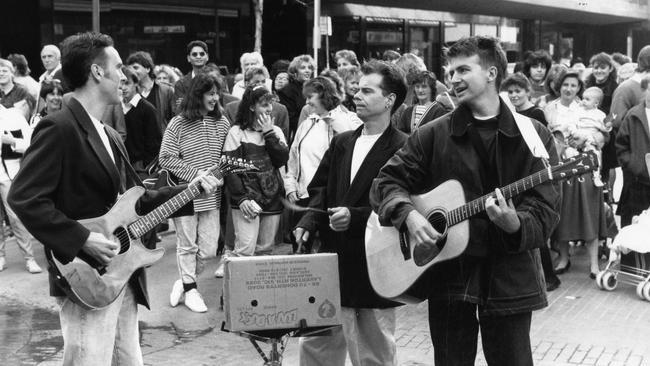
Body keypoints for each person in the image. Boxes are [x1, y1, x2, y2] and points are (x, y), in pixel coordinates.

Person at [7, 31, 220, 366]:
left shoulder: (107, 132)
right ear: (96, 72)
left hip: (122, 276)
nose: (124, 76)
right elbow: (24, 198)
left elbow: (133, 200)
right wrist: (81, 240)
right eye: (118, 67)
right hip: (85, 277)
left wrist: (193, 188)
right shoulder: (59, 127)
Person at [370, 36, 560, 366]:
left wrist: (516, 223)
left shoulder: (533, 133)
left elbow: (546, 207)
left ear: (491, 72)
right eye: (450, 71)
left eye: (463, 70)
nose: (452, 78)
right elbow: (386, 183)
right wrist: (409, 216)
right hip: (448, 272)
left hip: (509, 275)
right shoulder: (434, 133)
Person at [294, 60, 407, 366]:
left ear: (389, 100)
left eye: (367, 91)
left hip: (376, 266)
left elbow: (407, 204)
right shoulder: (343, 142)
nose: (356, 95)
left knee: (374, 353)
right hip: (332, 262)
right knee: (317, 349)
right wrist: (309, 220)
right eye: (357, 89)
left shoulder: (405, 147)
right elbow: (319, 189)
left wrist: (356, 216)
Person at [159, 73, 230, 313]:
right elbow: (165, 157)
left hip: (212, 196)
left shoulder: (222, 122)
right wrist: (196, 174)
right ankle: (191, 290)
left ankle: (184, 280)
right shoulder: (178, 123)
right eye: (210, 93)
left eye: (216, 93)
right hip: (185, 195)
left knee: (209, 250)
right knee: (186, 245)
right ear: (198, 95)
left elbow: (228, 157)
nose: (215, 98)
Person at [283, 76, 362, 254]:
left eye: (311, 96)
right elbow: (293, 158)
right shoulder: (307, 123)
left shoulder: (349, 119)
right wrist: (290, 186)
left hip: (331, 200)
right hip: (303, 197)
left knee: (330, 255)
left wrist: (333, 120)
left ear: (323, 94)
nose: (307, 101)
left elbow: (353, 144)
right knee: (301, 254)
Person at [545, 70, 607, 279]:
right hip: (562, 166)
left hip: (586, 167)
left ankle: (593, 263)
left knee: (589, 212)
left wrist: (589, 138)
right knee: (563, 212)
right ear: (558, 86)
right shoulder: (549, 108)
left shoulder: (587, 107)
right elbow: (546, 135)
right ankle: (563, 258)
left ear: (579, 88)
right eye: (565, 84)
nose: (569, 89)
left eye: (573, 85)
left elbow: (602, 135)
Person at [223, 86, 288, 258]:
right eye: (264, 105)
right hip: (247, 199)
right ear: (252, 106)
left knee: (265, 251)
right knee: (245, 250)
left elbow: (281, 160)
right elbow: (230, 169)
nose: (270, 109)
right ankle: (236, 285)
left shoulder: (276, 132)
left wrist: (269, 134)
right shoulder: (236, 132)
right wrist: (241, 198)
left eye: (270, 104)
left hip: (272, 198)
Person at [0, 105, 42, 274]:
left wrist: (11, 141)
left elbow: (30, 144)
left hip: (10, 175)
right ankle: (1, 256)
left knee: (15, 217)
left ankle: (29, 258)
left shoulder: (13, 116)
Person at [615, 76, 650, 270]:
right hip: (638, 180)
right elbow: (621, 145)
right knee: (634, 221)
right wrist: (634, 165)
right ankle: (631, 266)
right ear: (644, 91)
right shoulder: (633, 115)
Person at [120, 66, 162, 174]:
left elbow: (155, 145)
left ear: (135, 84)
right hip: (121, 167)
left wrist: (145, 167)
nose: (123, 87)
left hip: (141, 169)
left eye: (127, 83)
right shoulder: (116, 107)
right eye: (120, 83)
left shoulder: (148, 109)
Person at [585, 52, 618, 187]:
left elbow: (615, 112)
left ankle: (608, 196)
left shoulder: (616, 88)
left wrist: (604, 125)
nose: (599, 71)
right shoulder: (586, 85)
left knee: (607, 165)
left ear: (610, 69)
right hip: (587, 130)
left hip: (606, 131)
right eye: (596, 67)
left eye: (602, 67)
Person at [126, 51, 175, 133]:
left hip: (161, 141)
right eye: (130, 69)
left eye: (136, 68)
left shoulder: (166, 90)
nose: (132, 72)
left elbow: (175, 118)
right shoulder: (131, 92)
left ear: (147, 69)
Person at [571, 86, 610, 187]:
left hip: (592, 137)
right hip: (579, 134)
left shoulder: (600, 114)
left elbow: (604, 128)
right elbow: (572, 123)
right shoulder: (578, 111)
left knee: (595, 154)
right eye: (583, 98)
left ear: (596, 103)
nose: (583, 101)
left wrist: (608, 126)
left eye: (587, 99)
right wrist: (574, 132)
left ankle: (596, 175)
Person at [278, 54, 315, 143]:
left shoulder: (315, 88)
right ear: (295, 72)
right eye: (303, 68)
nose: (307, 71)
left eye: (309, 68)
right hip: (298, 134)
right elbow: (290, 119)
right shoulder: (287, 91)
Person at [173, 40, 209, 114]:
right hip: (188, 124)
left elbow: (222, 106)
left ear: (207, 57)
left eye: (202, 54)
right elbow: (179, 111)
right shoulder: (180, 84)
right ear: (189, 58)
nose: (198, 56)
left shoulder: (219, 80)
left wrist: (187, 102)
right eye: (194, 54)